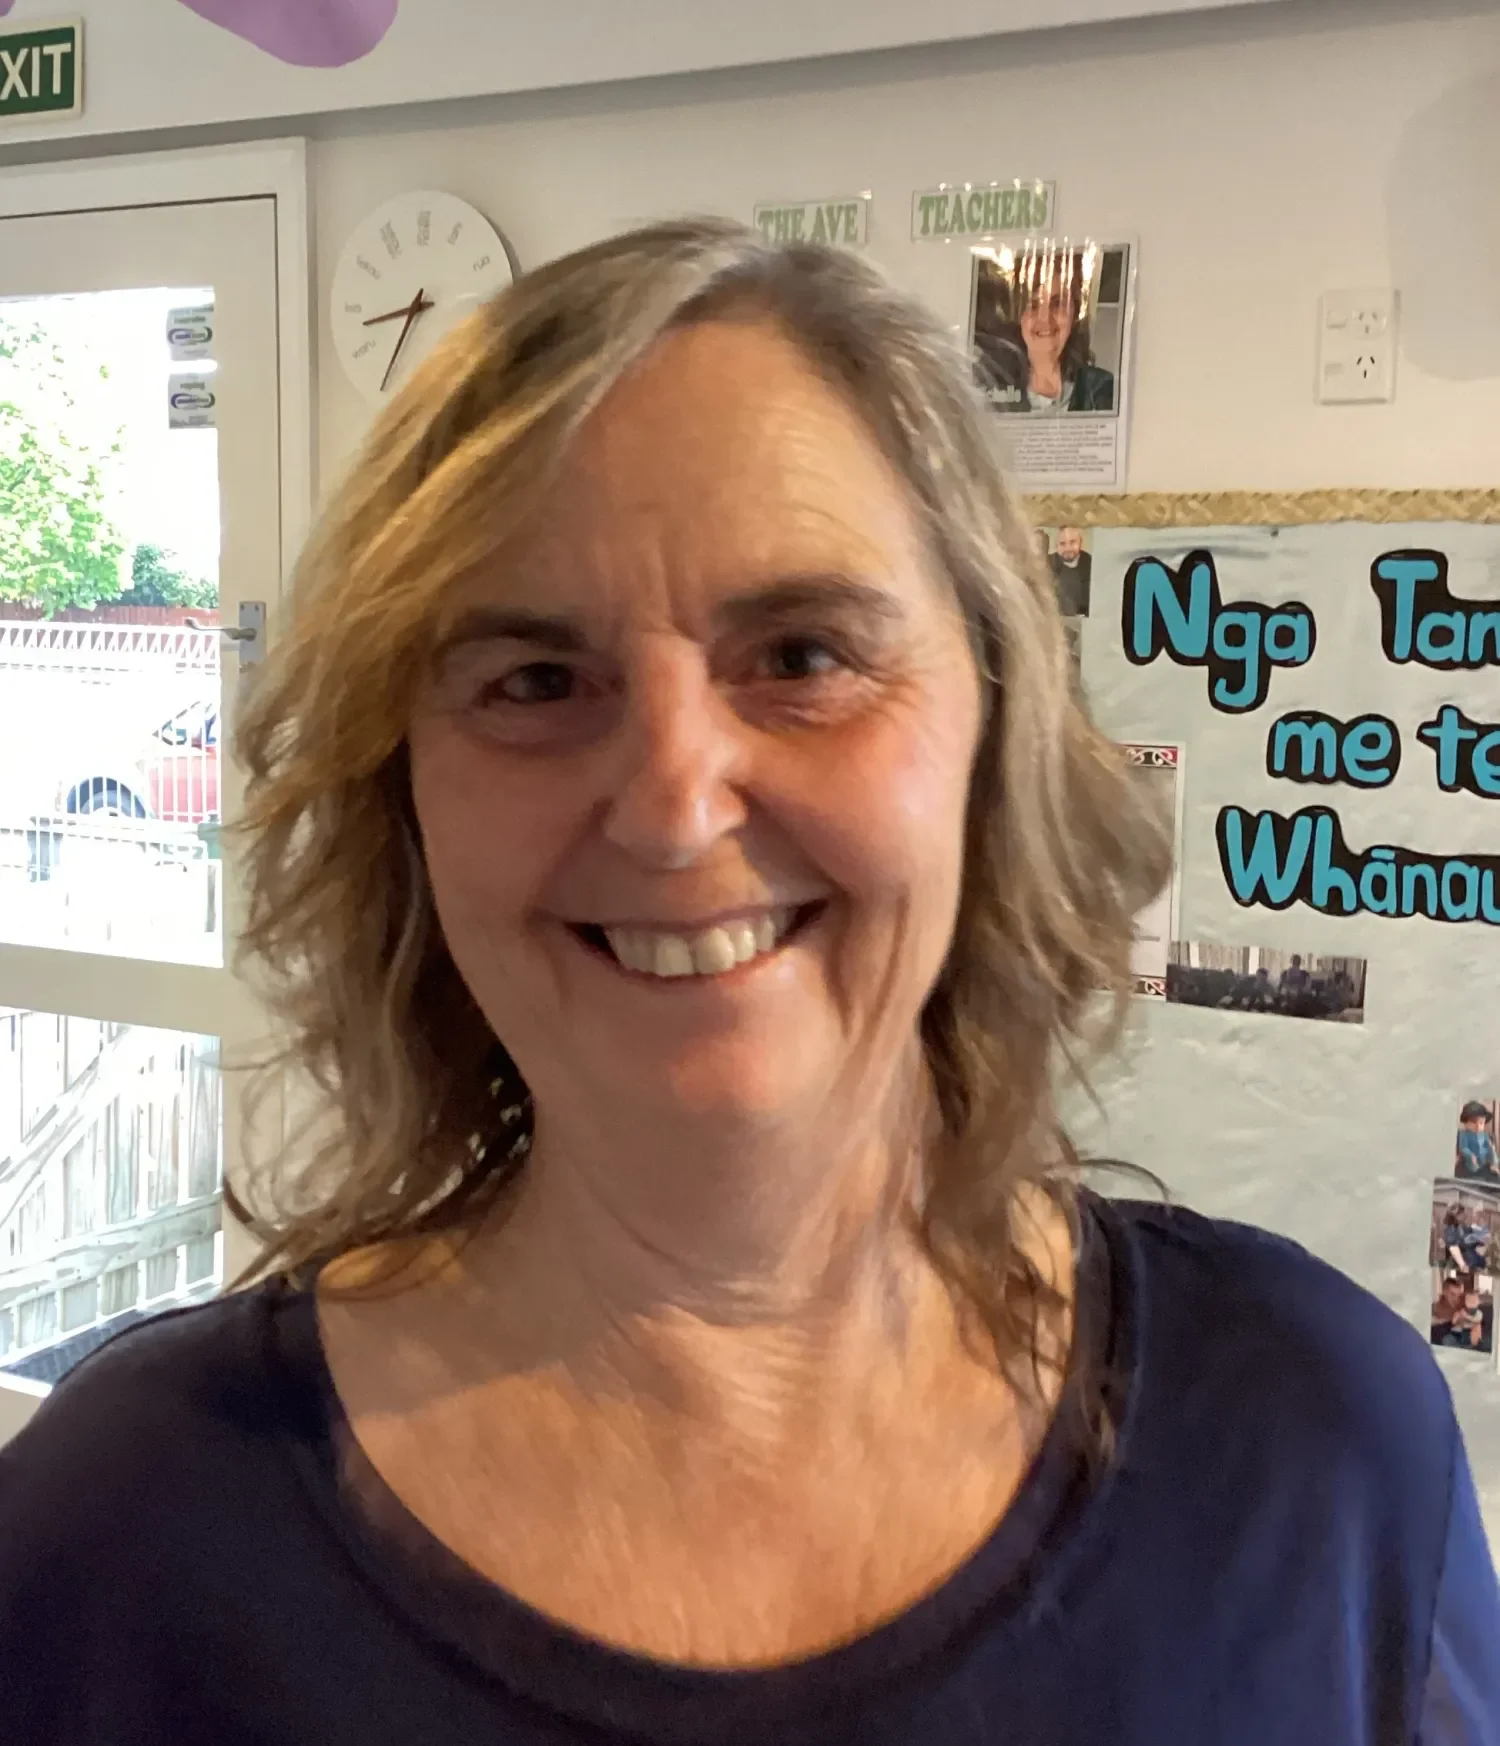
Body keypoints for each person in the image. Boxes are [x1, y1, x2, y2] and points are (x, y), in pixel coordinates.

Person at [1, 219, 1496, 1745]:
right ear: (404, 798)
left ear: (993, 733)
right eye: (532, 679)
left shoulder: (1319, 1455)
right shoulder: (124, 1535)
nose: (670, 804)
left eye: (800, 653)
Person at [974, 246, 1116, 415]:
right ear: (1020, 317)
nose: (1045, 319)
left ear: (1075, 312)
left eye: (1057, 303)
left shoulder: (1101, 389)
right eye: (1033, 305)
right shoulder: (991, 385)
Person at [1049, 525, 1092, 619]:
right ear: (1056, 546)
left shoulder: (1092, 565)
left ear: (1081, 542)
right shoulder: (1046, 565)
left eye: (1072, 542)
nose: (1068, 548)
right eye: (1062, 544)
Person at [1456, 1100, 1500, 1182]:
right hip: (1470, 1165)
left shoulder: (1485, 1136)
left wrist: (1493, 1163)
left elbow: (1490, 1149)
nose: (1477, 1126)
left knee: (1494, 1174)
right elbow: (1463, 1148)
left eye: (1481, 1123)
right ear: (1465, 1122)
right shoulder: (1464, 1135)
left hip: (1484, 1163)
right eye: (1473, 1122)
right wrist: (1470, 1155)